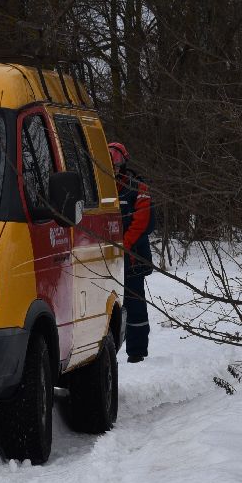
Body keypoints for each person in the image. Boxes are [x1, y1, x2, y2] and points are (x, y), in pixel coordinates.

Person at [108, 141, 153, 363]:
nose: (114, 168)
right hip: (107, 259)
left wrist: (122, 246)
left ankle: (136, 351)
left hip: (132, 259)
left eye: (116, 163)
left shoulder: (138, 189)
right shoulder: (100, 188)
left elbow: (142, 223)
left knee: (134, 304)